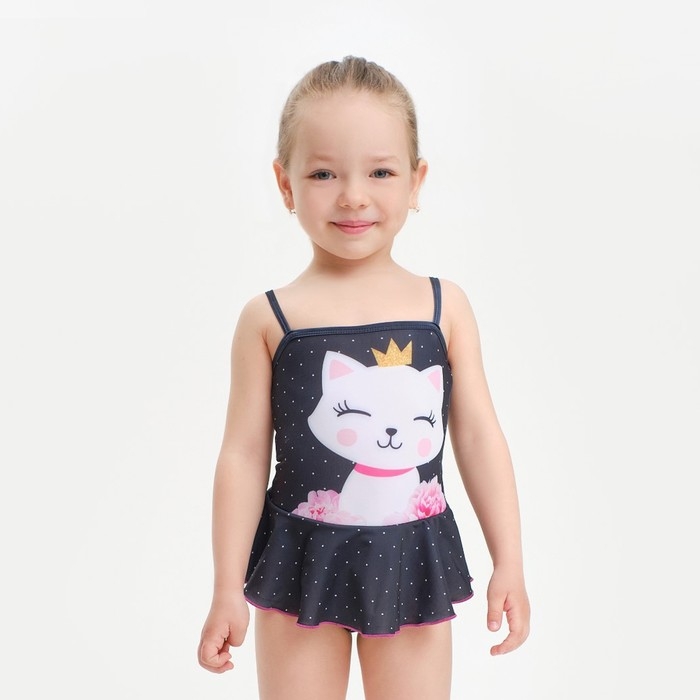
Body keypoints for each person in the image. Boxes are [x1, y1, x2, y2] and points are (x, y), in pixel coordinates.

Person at [198, 56, 530, 700]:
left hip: (415, 561)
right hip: (298, 561)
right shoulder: (268, 318)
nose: (353, 195)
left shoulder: (444, 307)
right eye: (323, 173)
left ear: (415, 180)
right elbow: (242, 455)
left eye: (380, 171)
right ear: (285, 183)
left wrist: (509, 560)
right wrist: (225, 588)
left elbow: (478, 435)